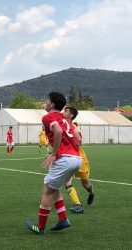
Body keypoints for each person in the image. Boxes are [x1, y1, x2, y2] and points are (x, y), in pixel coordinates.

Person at [26, 92, 82, 236]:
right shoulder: (64, 118)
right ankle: (63, 220)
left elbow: (57, 131)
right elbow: (77, 136)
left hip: (64, 158)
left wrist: (54, 153)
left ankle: (40, 228)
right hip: (76, 158)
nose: (45, 102)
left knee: (47, 191)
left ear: (51, 104)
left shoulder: (48, 117)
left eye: (46, 100)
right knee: (55, 188)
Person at [63, 107, 95, 214]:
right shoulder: (62, 125)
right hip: (68, 157)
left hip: (79, 157)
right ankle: (78, 205)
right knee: (67, 182)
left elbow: (79, 141)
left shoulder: (74, 128)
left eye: (66, 111)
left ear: (71, 115)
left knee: (85, 184)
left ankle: (91, 192)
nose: (63, 112)